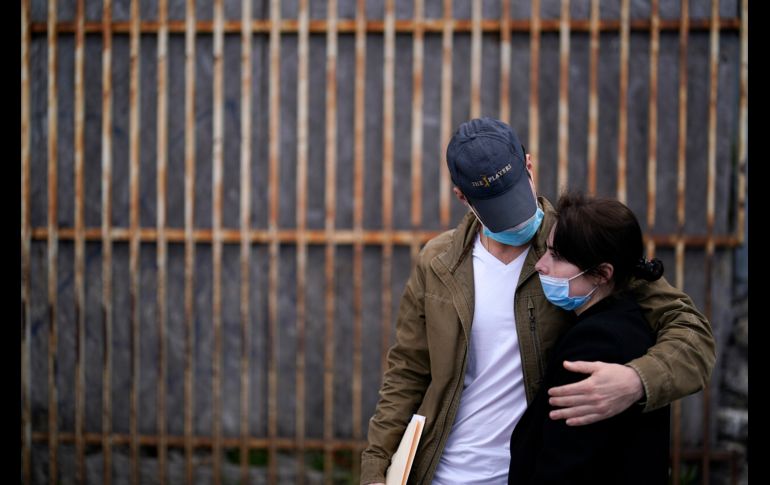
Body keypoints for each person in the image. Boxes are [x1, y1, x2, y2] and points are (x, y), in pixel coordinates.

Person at [360, 117, 714, 485]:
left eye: (516, 195)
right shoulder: (438, 262)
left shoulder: (580, 242)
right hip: (442, 473)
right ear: (463, 197)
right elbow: (407, 371)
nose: (516, 219)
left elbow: (692, 332)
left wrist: (637, 380)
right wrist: (375, 467)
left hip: (528, 472)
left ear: (528, 165)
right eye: (499, 208)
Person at [508, 191, 670, 484]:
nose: (540, 265)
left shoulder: (595, 344)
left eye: (557, 256)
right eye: (547, 250)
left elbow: (565, 464)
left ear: (602, 274)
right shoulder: (630, 320)